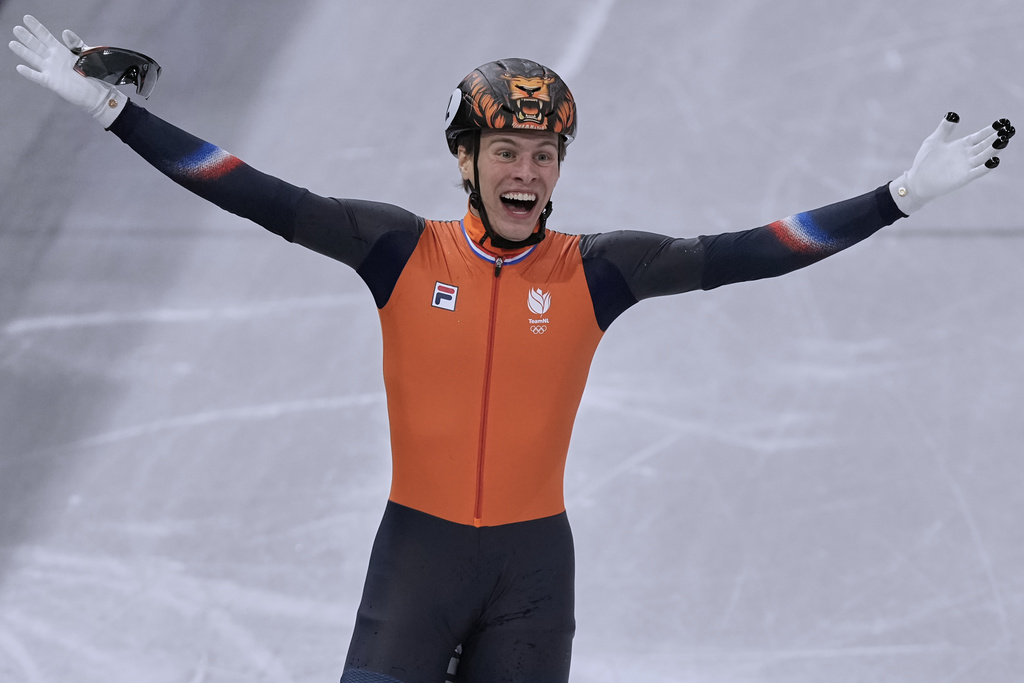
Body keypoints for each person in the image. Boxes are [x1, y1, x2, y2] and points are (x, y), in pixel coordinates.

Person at [9, 14, 1015, 683]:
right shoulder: (395, 247)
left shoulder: (603, 267)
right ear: (464, 159)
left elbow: (757, 250)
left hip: (532, 571)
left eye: (544, 154)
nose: (526, 171)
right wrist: (111, 109)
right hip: (419, 561)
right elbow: (243, 183)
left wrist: (897, 198)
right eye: (505, 151)